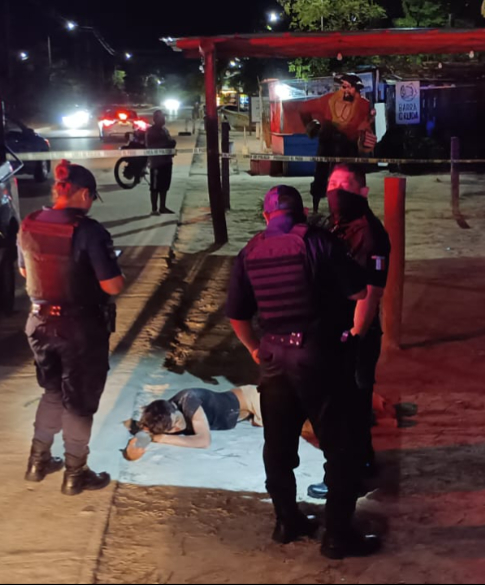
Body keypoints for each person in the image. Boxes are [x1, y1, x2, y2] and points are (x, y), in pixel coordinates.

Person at [226, 184, 381, 559]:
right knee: (339, 447)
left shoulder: (250, 251)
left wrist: (254, 349)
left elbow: (237, 314)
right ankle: (338, 535)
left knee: (277, 446)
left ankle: (286, 521)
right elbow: (359, 293)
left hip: (274, 360)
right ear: (301, 213)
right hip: (318, 357)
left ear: (266, 217)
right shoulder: (318, 242)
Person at [19, 160, 126, 496]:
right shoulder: (89, 231)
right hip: (79, 328)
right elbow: (112, 286)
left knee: (52, 391)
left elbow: (26, 273)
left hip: (38, 324)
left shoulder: (30, 223)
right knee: (78, 402)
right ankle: (75, 473)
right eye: (91, 197)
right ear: (82, 193)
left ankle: (37, 463)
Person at [307, 163, 391, 500]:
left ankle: (343, 480)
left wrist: (354, 335)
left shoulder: (368, 233)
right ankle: (364, 461)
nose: (336, 189)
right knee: (355, 404)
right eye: (332, 183)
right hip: (339, 329)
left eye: (345, 184)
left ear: (363, 192)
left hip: (353, 334)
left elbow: (371, 291)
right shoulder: (339, 225)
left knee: (344, 408)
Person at [298, 75, 376, 214]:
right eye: (344, 86)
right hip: (327, 143)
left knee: (354, 177)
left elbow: (366, 128)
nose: (347, 90)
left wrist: (365, 137)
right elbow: (303, 108)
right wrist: (310, 127)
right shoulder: (328, 100)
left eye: (351, 87)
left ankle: (357, 207)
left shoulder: (363, 105)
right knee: (321, 175)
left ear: (357, 90)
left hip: (348, 146)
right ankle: (316, 207)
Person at [122, 386, 264, 461]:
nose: (178, 427)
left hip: (253, 399)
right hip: (245, 414)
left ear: (175, 408)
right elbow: (139, 441)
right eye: (172, 429)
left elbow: (204, 441)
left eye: (177, 420)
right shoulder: (161, 419)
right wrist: (137, 446)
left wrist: (161, 438)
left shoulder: (189, 400)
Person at [144, 110, 177, 216]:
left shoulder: (164, 130)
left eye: (164, 118)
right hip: (156, 163)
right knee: (155, 187)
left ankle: (162, 207)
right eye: (161, 118)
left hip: (167, 161)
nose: (163, 120)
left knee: (165, 186)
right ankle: (154, 209)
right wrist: (167, 144)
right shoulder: (151, 131)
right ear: (155, 119)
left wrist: (171, 145)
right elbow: (152, 146)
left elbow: (169, 142)